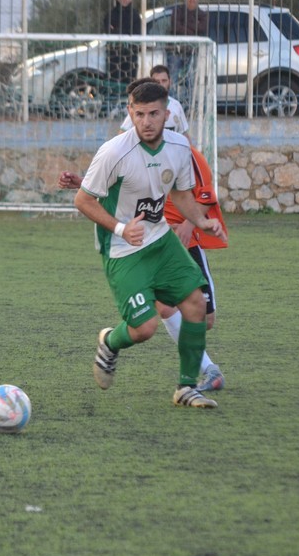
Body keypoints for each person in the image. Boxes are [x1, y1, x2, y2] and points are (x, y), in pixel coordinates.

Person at [60, 71, 229, 392]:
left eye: (153, 114)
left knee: (196, 305)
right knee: (144, 328)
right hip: (122, 248)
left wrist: (200, 221)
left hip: (160, 239)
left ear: (167, 114)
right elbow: (83, 200)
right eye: (139, 114)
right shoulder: (114, 151)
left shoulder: (180, 147)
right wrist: (122, 228)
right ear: (130, 112)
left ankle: (187, 387)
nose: (146, 121)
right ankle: (110, 342)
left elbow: (181, 194)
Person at [167, 0, 209, 104]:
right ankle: (172, 105)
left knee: (191, 82)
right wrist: (194, 28)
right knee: (172, 81)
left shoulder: (203, 14)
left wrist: (184, 25)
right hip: (176, 51)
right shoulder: (178, 11)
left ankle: (187, 107)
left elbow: (203, 28)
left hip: (194, 52)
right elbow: (175, 27)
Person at [102, 0, 142, 83]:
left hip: (131, 54)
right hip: (114, 54)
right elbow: (108, 31)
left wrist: (117, 30)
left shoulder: (135, 15)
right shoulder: (111, 14)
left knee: (130, 82)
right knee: (113, 82)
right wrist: (126, 32)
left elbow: (136, 33)